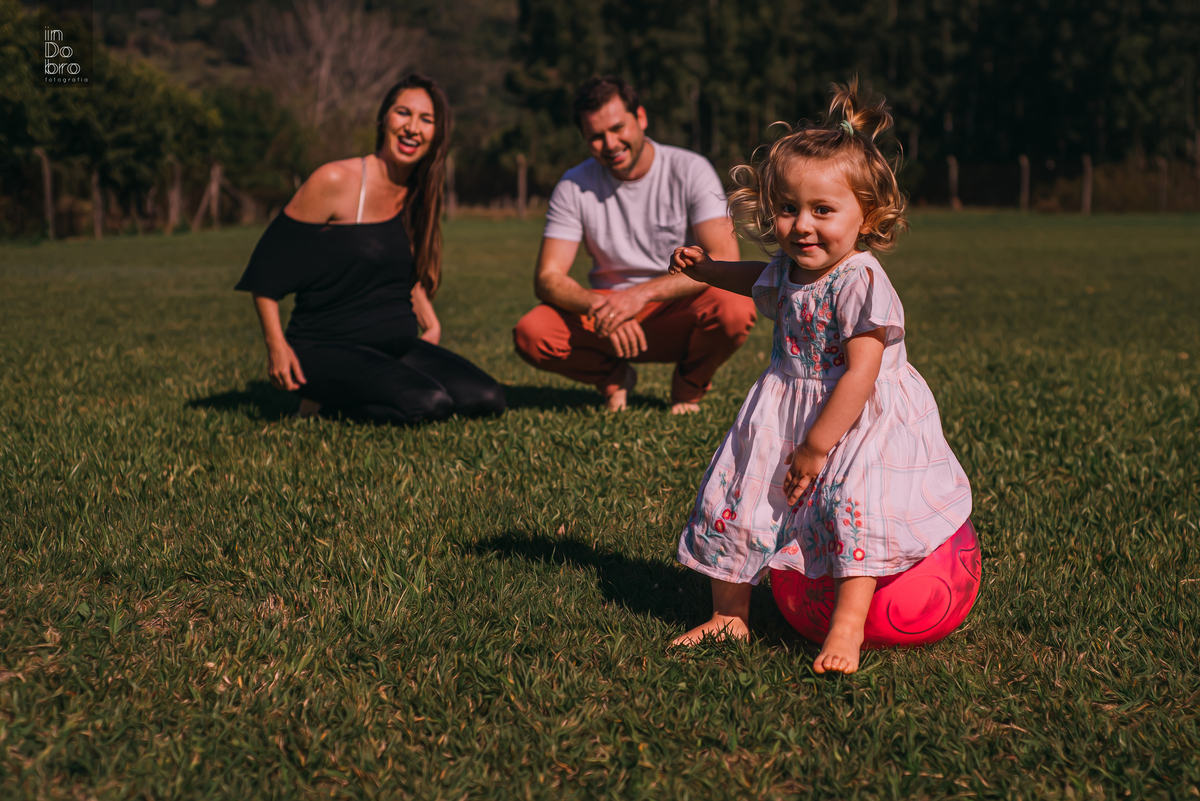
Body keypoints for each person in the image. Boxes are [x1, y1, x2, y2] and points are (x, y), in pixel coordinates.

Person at [667, 81, 972, 674]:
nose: (802, 226)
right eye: (788, 209)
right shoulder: (789, 269)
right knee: (740, 497)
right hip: (785, 406)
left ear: (868, 215)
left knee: (851, 503)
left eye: (822, 211)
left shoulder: (861, 279)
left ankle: (848, 627)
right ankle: (730, 616)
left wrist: (816, 446)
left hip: (859, 419)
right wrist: (708, 269)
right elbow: (758, 275)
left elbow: (862, 372)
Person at [235, 75, 505, 425]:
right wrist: (276, 347)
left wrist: (430, 321)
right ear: (383, 120)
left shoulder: (419, 194)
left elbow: (400, 271)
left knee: (488, 397)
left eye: (426, 119)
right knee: (430, 403)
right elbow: (266, 270)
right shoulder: (335, 181)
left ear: (437, 134)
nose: (412, 128)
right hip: (325, 347)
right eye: (403, 113)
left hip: (394, 344)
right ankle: (321, 406)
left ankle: (370, 391)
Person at [512, 77, 757, 413]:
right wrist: (604, 308)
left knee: (733, 305)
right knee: (532, 332)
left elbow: (724, 259)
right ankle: (614, 379)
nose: (610, 143)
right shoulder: (573, 184)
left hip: (673, 306)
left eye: (617, 128)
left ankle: (688, 387)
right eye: (595, 137)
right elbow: (548, 278)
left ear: (640, 118)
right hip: (605, 315)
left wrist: (639, 296)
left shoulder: (690, 168)